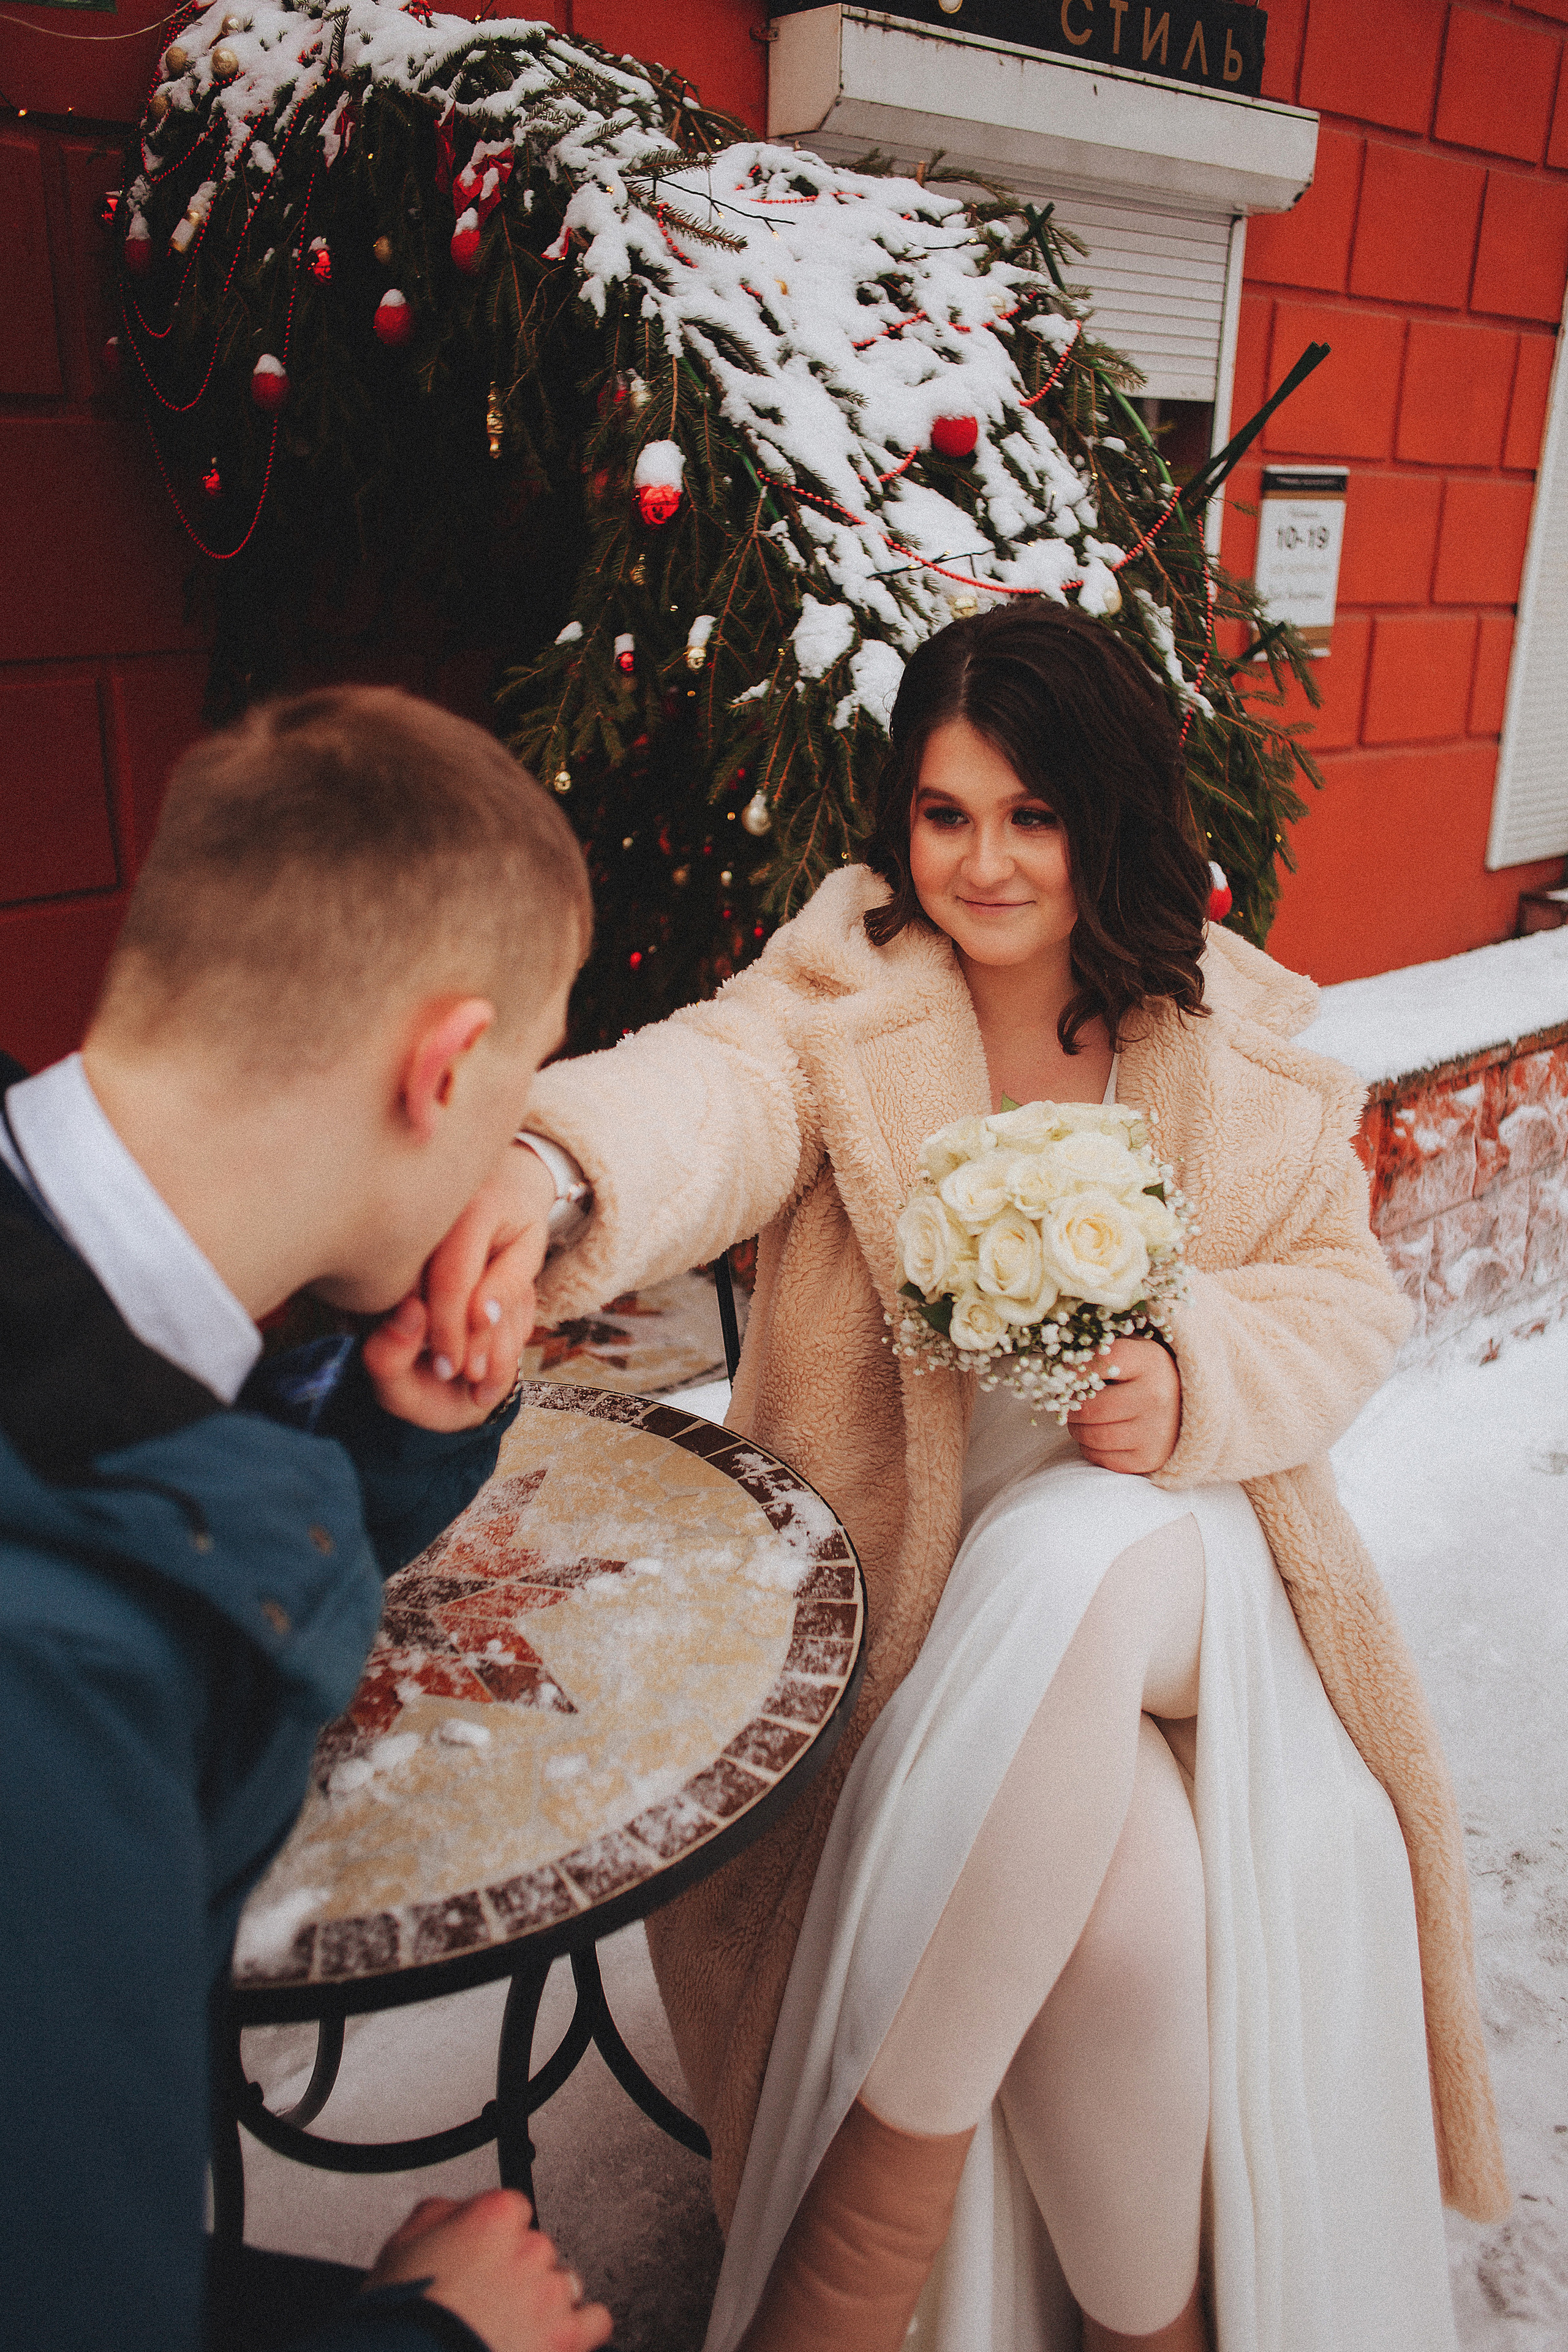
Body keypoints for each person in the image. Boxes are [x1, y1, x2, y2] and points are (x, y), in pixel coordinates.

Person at [488, 604, 1509, 2352]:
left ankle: (845, 2262)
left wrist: (1194, 1379)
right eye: (944, 814)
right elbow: (706, 1101)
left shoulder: (1234, 1042)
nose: (981, 862)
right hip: (941, 1616)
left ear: (1103, 813)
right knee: (1126, 1921)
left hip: (1201, 1572)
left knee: (1086, 1548)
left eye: (1029, 815)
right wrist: (545, 1169)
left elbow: (1348, 1309)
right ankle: (1153, 2329)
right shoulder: (838, 1005)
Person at [0, 687, 614, 2352]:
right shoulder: (54, 1673)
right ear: (444, 1065)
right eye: (522, 1094)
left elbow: (144, 1481)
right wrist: (443, 2337)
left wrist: (380, 1433)